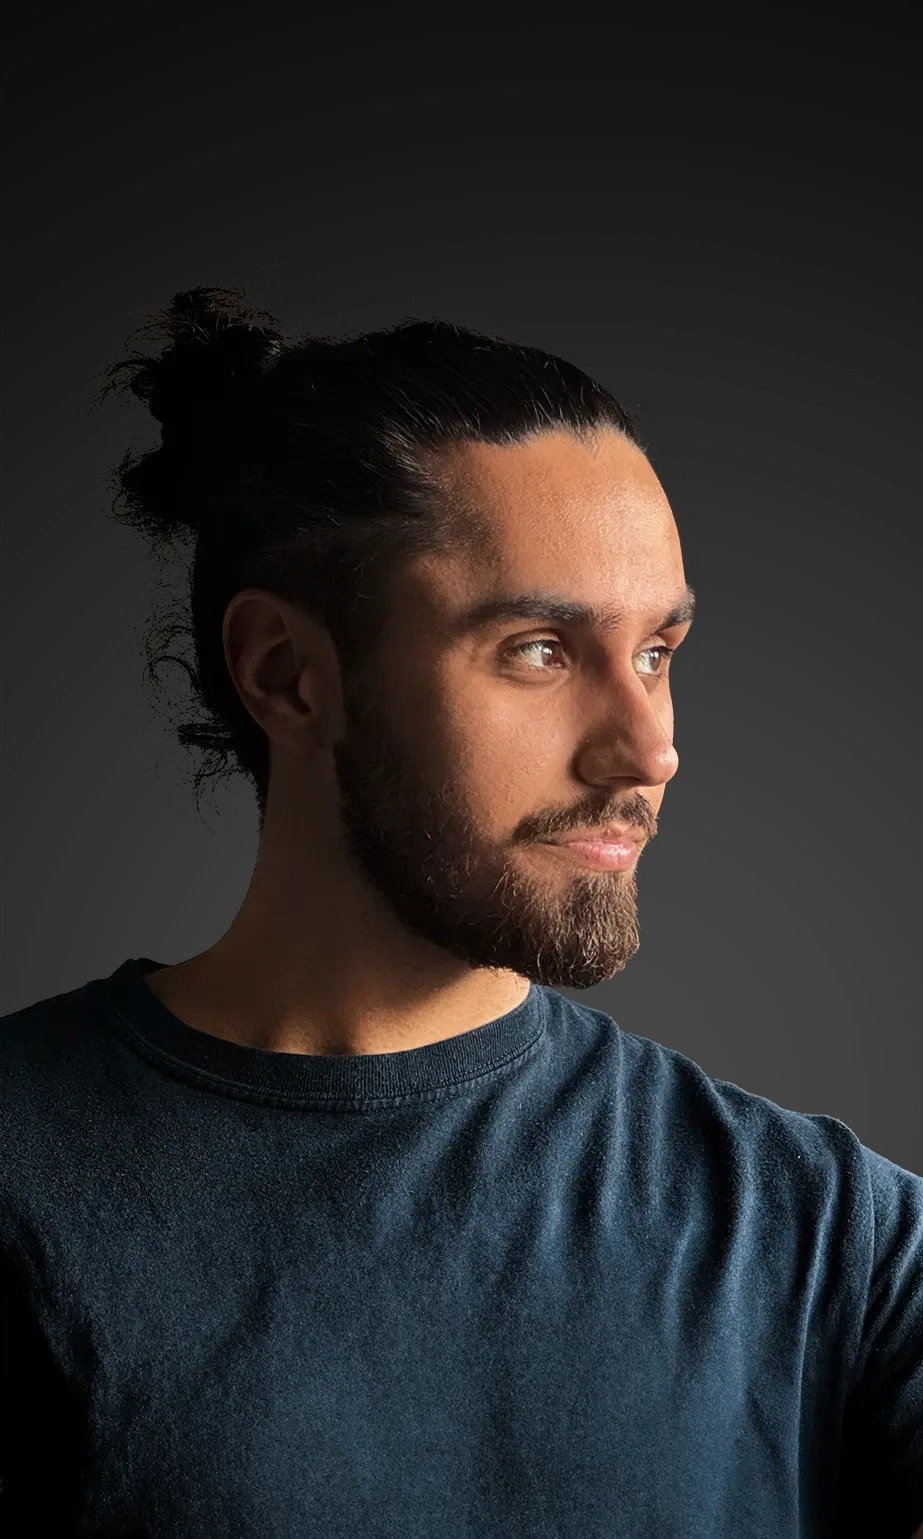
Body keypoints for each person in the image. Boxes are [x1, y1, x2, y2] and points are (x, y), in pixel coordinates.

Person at [1, 288, 920, 1539]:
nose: (645, 747)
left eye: (657, 651)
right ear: (286, 673)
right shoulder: (22, 1182)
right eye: (539, 649)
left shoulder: (824, 1230)